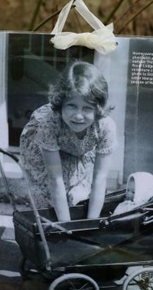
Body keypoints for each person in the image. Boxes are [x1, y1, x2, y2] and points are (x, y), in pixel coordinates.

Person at [19, 61, 117, 222]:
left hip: (80, 147)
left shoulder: (105, 127)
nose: (78, 116)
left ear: (98, 109)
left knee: (79, 196)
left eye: (87, 108)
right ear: (61, 103)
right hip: (46, 151)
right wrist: (66, 228)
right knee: (49, 204)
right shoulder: (49, 123)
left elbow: (99, 178)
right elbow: (55, 179)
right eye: (71, 106)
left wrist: (90, 225)